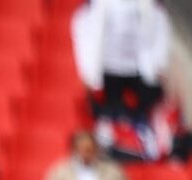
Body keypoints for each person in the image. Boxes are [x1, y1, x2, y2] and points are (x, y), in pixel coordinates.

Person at [72, 0, 170, 129]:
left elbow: (161, 29)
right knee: (114, 120)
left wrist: (159, 63)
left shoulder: (149, 4)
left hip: (140, 69)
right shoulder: (93, 7)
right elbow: (82, 38)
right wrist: (87, 72)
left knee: (150, 112)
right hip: (109, 69)